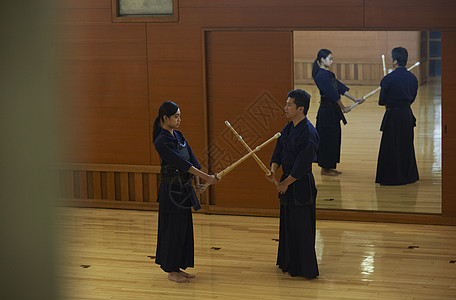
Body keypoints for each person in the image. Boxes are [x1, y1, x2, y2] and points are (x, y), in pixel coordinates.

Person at [152, 101, 219, 283]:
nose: (179, 119)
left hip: (184, 189)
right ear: (165, 118)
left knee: (183, 229)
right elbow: (182, 164)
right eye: (176, 116)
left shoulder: (179, 135)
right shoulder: (161, 141)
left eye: (180, 115)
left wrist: (199, 184)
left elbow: (192, 161)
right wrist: (207, 177)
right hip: (171, 191)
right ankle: (171, 271)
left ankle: (179, 267)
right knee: (172, 230)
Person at [267, 89, 320, 278]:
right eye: (286, 104)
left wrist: (285, 183)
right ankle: (288, 262)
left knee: (301, 226)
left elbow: (302, 165)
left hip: (300, 184)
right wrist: (273, 169)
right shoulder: (288, 128)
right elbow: (278, 151)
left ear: (300, 108)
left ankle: (303, 267)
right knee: (288, 224)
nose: (285, 108)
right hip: (287, 183)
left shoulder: (309, 133)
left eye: (289, 105)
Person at [312, 49, 364, 176]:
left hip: (332, 112)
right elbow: (333, 95)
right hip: (326, 113)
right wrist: (343, 107)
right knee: (327, 140)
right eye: (330, 59)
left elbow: (339, 88)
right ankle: (325, 169)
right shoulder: (321, 75)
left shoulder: (329, 74)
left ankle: (329, 166)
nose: (332, 61)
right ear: (322, 60)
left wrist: (355, 99)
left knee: (334, 139)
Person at [375, 47, 419, 185]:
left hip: (393, 115)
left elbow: (382, 101)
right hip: (406, 114)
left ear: (394, 61)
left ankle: (391, 178)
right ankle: (408, 176)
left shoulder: (387, 79)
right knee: (406, 145)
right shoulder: (413, 78)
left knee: (391, 146)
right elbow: (412, 98)